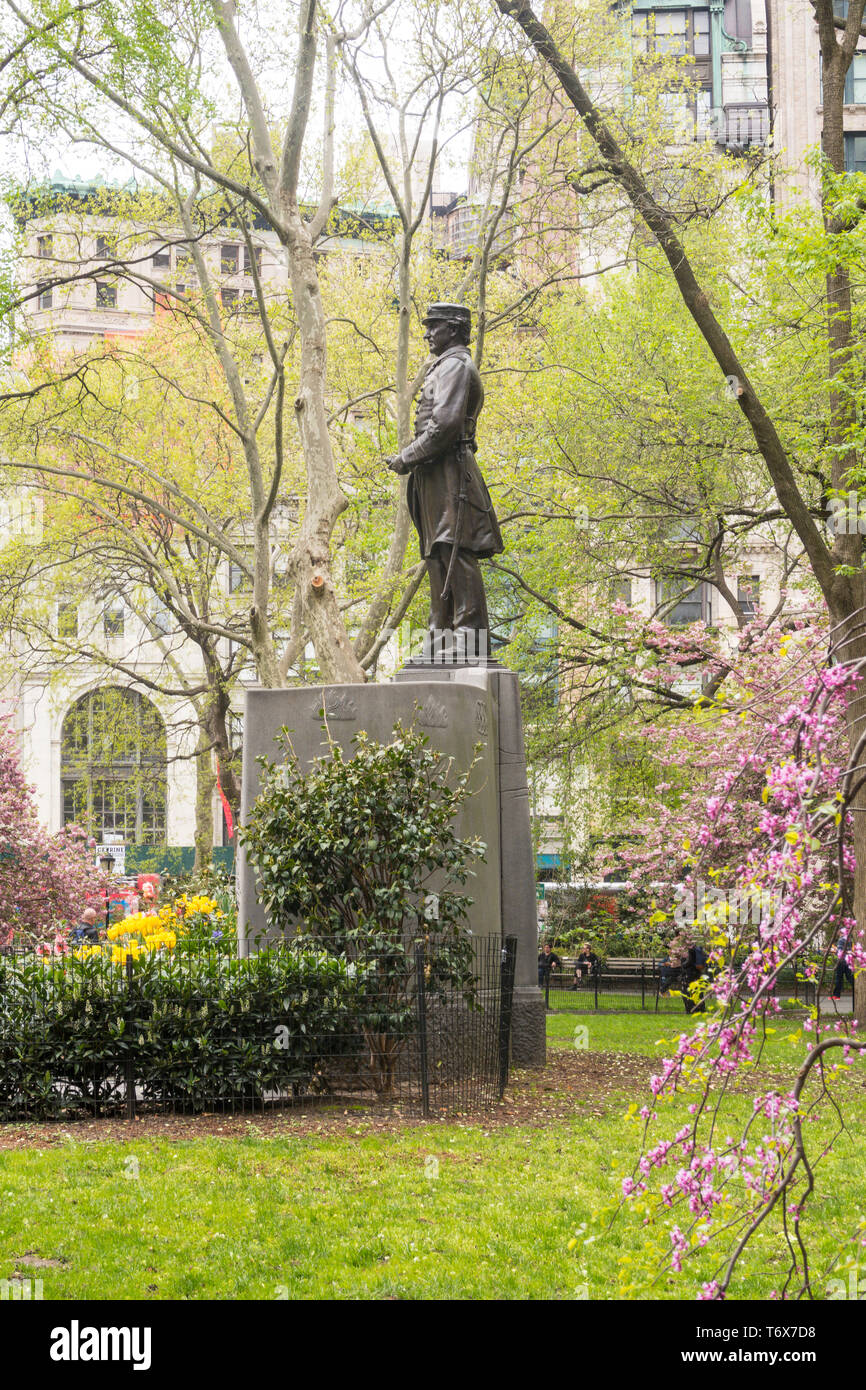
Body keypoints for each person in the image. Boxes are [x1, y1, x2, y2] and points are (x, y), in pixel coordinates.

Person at [385, 303, 504, 658]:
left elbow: (445, 425)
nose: (426, 334)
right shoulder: (447, 365)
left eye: (432, 326)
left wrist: (407, 456)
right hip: (436, 473)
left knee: (454, 547)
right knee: (439, 550)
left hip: (451, 473)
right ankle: (441, 635)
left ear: (452, 329)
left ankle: (468, 634)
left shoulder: (455, 366)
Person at [831, 930, 854, 1000]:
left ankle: (836, 995)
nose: (838, 934)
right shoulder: (849, 940)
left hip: (841, 962)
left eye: (839, 933)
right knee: (849, 978)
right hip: (848, 961)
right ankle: (858, 990)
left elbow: (840, 951)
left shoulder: (841, 940)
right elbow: (848, 950)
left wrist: (833, 950)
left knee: (839, 978)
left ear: (840, 933)